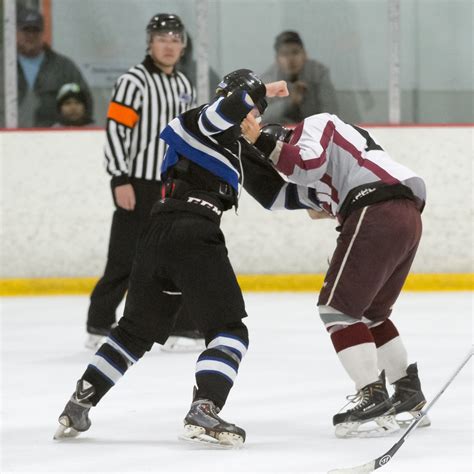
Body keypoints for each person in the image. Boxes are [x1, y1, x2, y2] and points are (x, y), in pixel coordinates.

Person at [54, 70, 289, 446]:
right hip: (194, 232)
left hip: (157, 234)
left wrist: (330, 199)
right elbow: (231, 106)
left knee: (133, 333)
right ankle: (205, 408)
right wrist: (264, 90)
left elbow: (281, 196)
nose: (255, 119)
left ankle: (81, 401)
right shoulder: (198, 120)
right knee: (230, 331)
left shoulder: (233, 146)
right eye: (254, 110)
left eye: (259, 113)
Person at [239, 113, 429, 438]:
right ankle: (407, 391)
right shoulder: (329, 164)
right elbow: (280, 197)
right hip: (404, 215)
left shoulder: (312, 126)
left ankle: (371, 394)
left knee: (336, 309)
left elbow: (305, 165)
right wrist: (241, 154)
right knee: (371, 314)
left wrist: (258, 141)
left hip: (376, 209)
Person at [86, 14, 203, 352]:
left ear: (183, 46)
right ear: (150, 43)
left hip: (170, 185)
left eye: (175, 38)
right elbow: (116, 132)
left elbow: (185, 137)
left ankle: (178, 325)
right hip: (136, 182)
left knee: (174, 255)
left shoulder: (184, 85)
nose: (169, 44)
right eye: (162, 38)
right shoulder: (133, 82)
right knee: (125, 257)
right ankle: (99, 321)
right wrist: (119, 178)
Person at [16, 8, 93, 127]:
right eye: (26, 30)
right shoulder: (3, 66)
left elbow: (86, 104)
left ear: (43, 33)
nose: (31, 35)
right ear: (15, 32)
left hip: (55, 140)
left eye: (35, 30)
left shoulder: (64, 67)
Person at [260, 31, 338, 124]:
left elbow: (331, 114)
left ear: (305, 55)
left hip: (316, 132)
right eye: (285, 54)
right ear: (277, 59)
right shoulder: (269, 80)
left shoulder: (318, 74)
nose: (291, 59)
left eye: (295, 52)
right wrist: (290, 102)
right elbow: (261, 118)